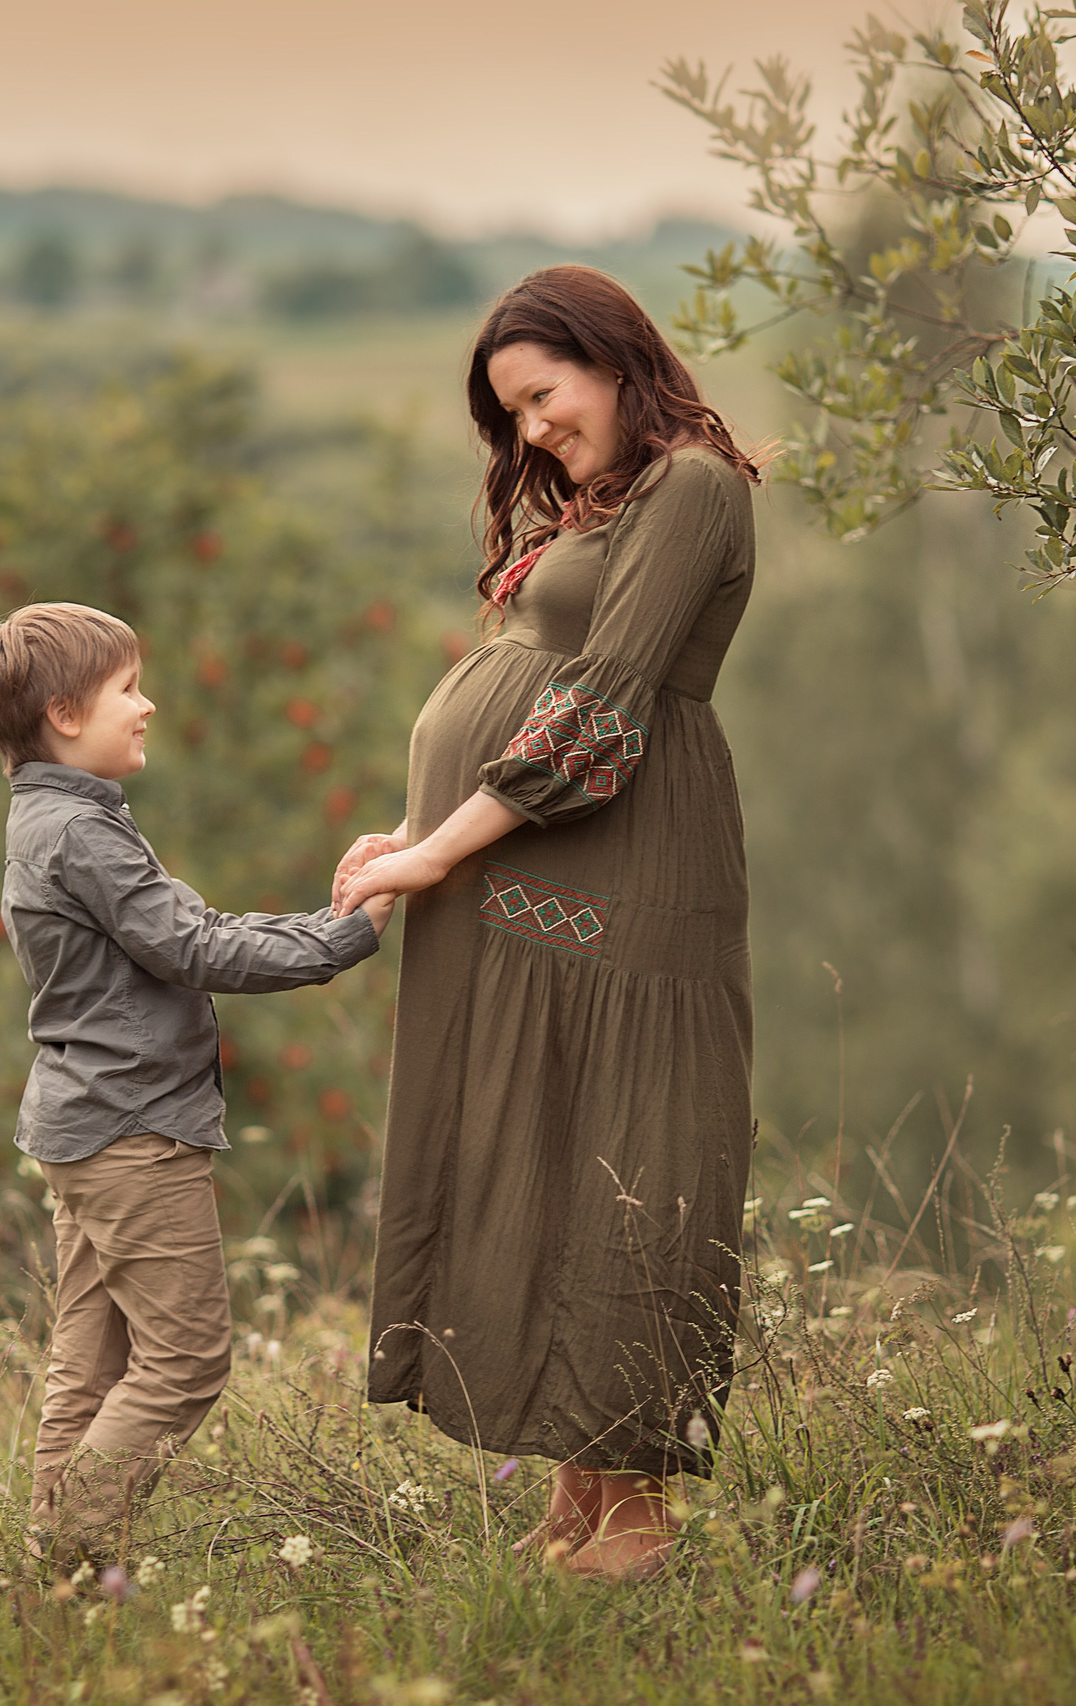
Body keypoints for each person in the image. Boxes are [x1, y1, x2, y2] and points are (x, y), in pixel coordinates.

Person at [336, 265, 761, 1581]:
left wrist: (436, 850)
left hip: (619, 870)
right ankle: (580, 1500)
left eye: (542, 396)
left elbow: (603, 711)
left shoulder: (695, 484)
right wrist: (419, 840)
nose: (529, 432)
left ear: (615, 359)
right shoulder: (611, 498)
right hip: (530, 884)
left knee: (636, 1152)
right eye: (511, 414)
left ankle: (635, 1515)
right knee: (563, 1148)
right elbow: (534, 692)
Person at [0, 601, 396, 1566]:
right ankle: (71, 1557)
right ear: (67, 714)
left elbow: (174, 934)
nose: (147, 705)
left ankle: (57, 1579)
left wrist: (321, 923)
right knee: (187, 1362)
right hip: (132, 1133)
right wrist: (343, 933)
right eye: (128, 689)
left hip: (85, 1127)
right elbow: (189, 944)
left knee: (91, 1362)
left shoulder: (51, 819)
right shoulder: (80, 833)